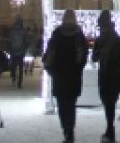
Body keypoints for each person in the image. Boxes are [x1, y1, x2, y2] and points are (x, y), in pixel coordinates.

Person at [44, 9, 87, 143]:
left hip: (59, 76)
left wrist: (52, 71)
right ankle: (70, 131)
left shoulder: (57, 34)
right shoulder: (79, 35)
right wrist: (78, 69)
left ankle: (66, 131)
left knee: (62, 106)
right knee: (71, 105)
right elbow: (83, 57)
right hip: (73, 76)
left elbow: (49, 55)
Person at [91, 10, 120, 142]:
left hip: (113, 76)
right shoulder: (101, 40)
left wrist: (114, 62)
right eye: (101, 26)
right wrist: (99, 52)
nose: (102, 29)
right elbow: (94, 58)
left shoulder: (118, 41)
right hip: (105, 75)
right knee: (107, 102)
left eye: (103, 26)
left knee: (109, 103)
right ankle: (109, 129)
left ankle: (110, 130)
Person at [7, 19, 30, 88]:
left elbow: (9, 41)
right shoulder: (24, 32)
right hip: (21, 51)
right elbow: (27, 41)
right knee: (20, 67)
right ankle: (19, 83)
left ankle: (13, 78)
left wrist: (10, 49)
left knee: (13, 66)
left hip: (13, 51)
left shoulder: (12, 31)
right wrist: (25, 47)